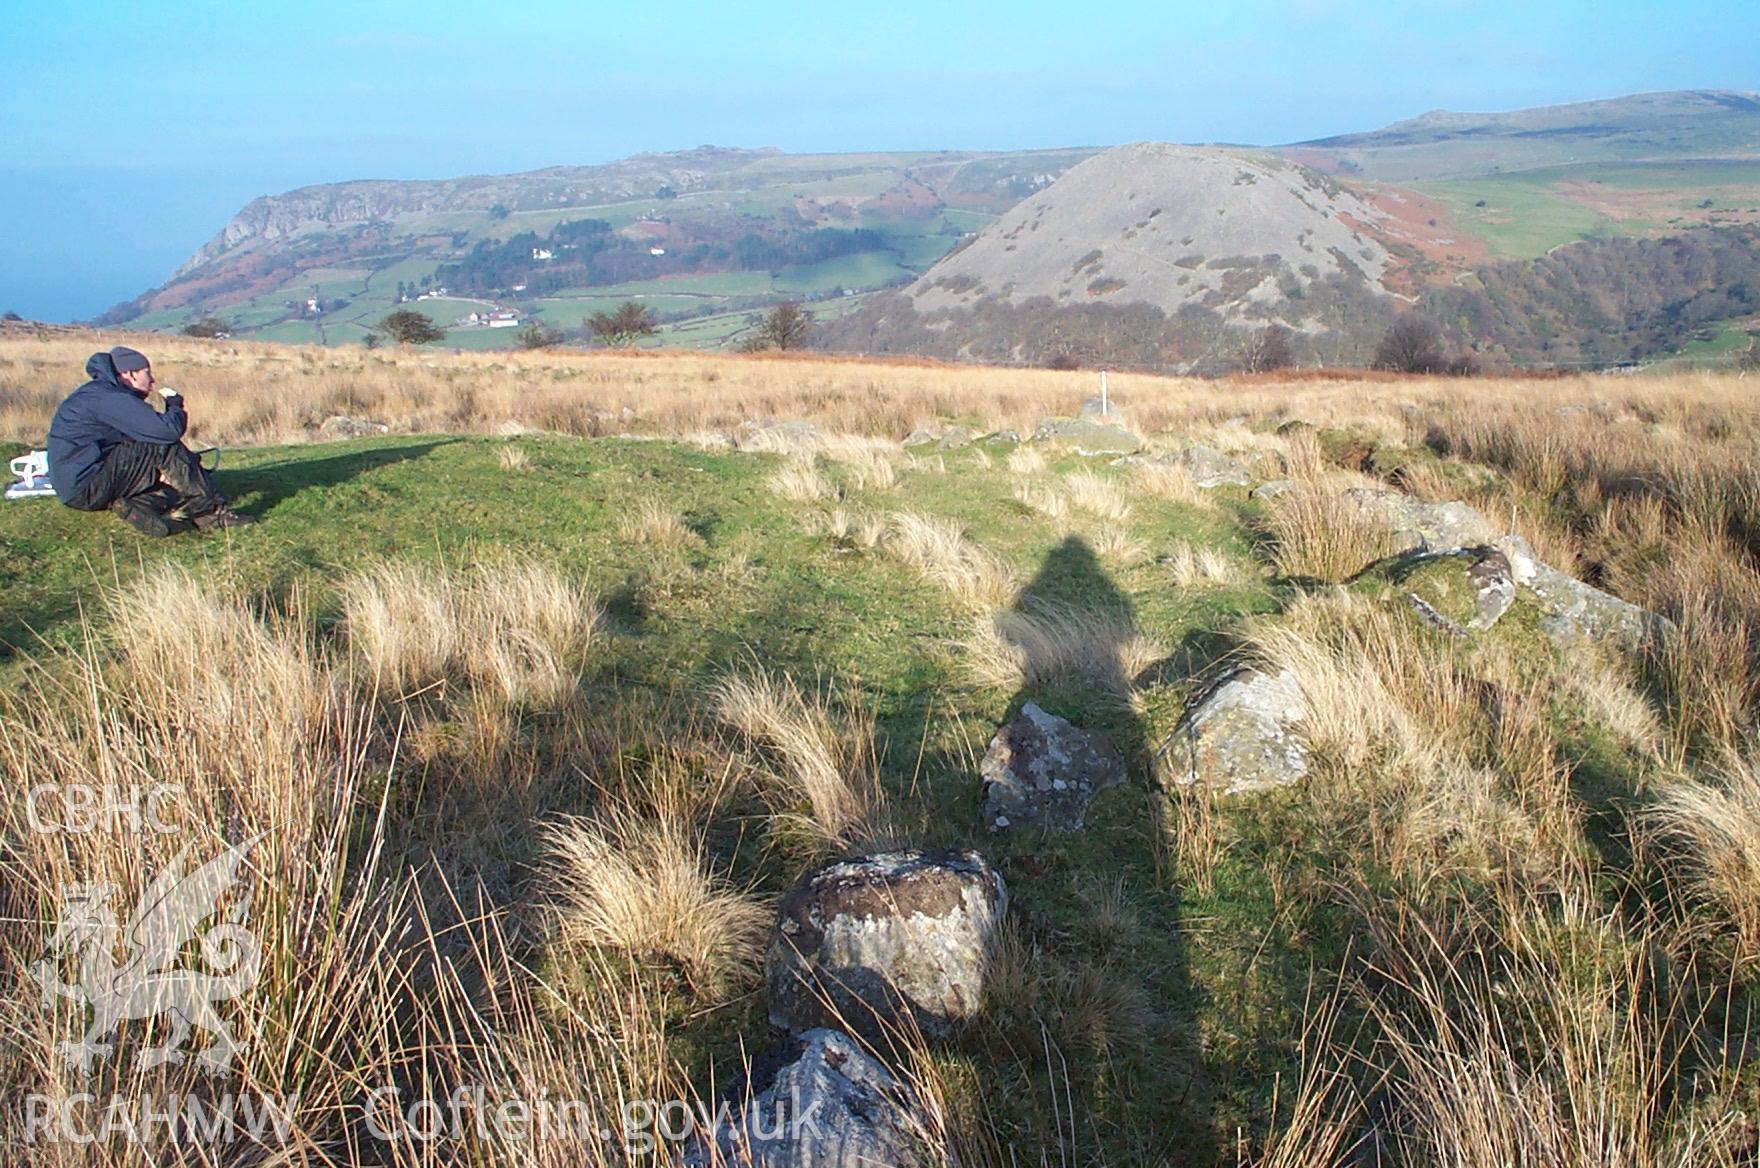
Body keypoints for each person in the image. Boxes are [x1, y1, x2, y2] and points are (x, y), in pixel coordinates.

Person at [47, 346, 255, 536]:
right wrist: (175, 406)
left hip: (78, 486)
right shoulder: (109, 398)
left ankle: (141, 505)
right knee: (164, 445)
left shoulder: (98, 393)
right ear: (130, 374)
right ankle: (210, 514)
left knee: (174, 471)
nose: (152, 380)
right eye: (147, 372)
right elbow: (166, 432)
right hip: (88, 485)